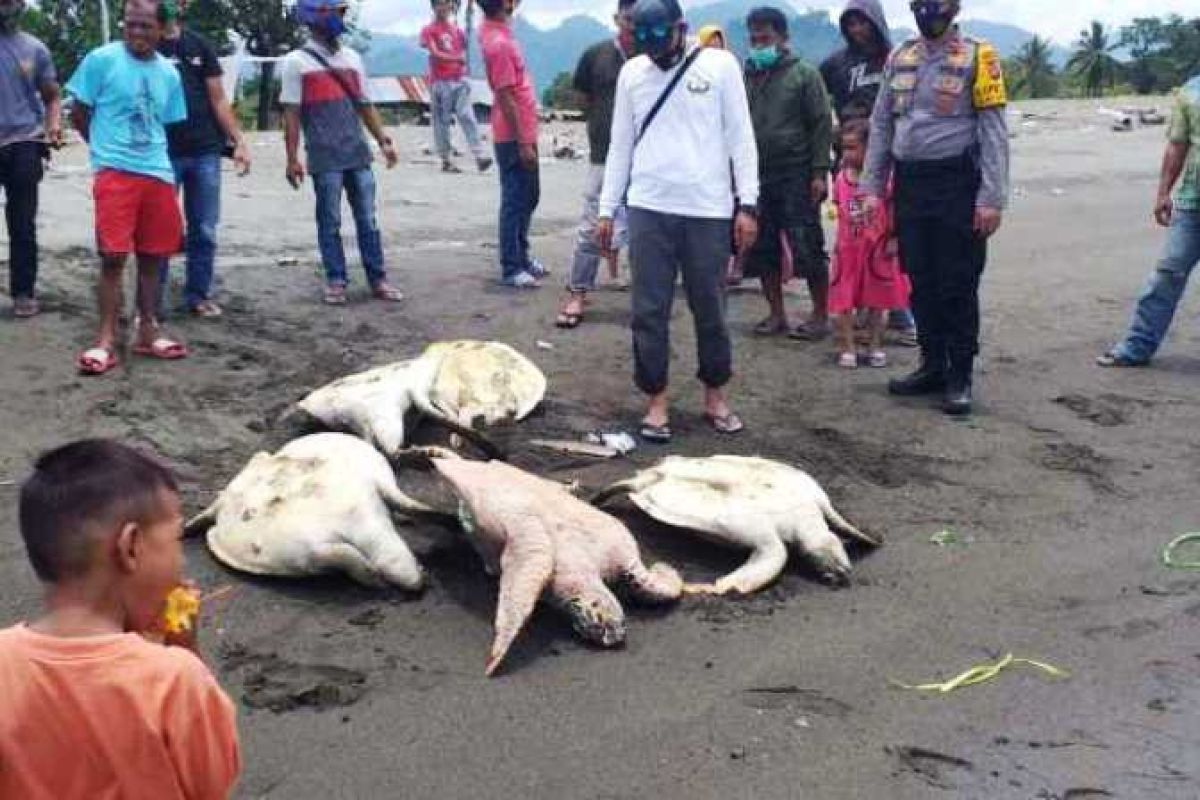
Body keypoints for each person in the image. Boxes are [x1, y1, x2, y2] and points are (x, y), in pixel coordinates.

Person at [0, 439, 241, 798]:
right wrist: (184, 647)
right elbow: (211, 784)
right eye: (176, 539)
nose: (181, 562)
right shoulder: (173, 679)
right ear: (130, 547)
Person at [599, 0, 759, 442]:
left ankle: (716, 396)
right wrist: (606, 209)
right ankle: (656, 401)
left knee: (711, 308)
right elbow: (620, 147)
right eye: (642, 41)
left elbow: (741, 136)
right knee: (648, 309)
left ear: (681, 29)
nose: (653, 51)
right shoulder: (633, 74)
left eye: (660, 39)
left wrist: (747, 203)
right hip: (648, 207)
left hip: (708, 210)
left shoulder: (721, 65)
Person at [863, 0, 1008, 416]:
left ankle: (959, 374)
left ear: (955, 6)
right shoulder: (900, 56)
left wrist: (991, 198)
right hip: (910, 184)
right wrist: (873, 187)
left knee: (957, 282)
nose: (930, 9)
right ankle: (932, 365)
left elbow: (994, 130)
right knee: (919, 278)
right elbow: (881, 124)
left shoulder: (980, 56)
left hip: (957, 184)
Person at [67, 0, 191, 376]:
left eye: (145, 26)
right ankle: (105, 338)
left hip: (157, 172)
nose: (136, 33)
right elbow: (80, 110)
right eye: (131, 25)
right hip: (115, 173)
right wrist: (102, 150)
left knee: (154, 256)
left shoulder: (169, 74)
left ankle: (147, 328)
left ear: (162, 29)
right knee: (113, 256)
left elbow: (166, 122)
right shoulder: (101, 60)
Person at [281, 0, 402, 306]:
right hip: (323, 157)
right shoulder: (296, 62)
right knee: (329, 221)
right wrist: (292, 158)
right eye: (336, 11)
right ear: (314, 17)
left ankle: (378, 279)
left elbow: (364, 105)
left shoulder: (353, 58)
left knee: (368, 220)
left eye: (342, 12)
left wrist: (383, 140)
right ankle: (337, 280)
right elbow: (291, 115)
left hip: (358, 152)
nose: (340, 18)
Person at [820, 0, 918, 346]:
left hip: (890, 152)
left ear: (877, 23)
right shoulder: (835, 63)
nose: (857, 30)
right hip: (850, 151)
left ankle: (901, 311)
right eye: (851, 24)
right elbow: (820, 102)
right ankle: (861, 307)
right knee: (856, 230)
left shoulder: (897, 59)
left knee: (890, 229)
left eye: (863, 23)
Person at [741, 6, 832, 339]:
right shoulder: (747, 74)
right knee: (762, 247)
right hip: (757, 175)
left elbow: (822, 124)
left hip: (797, 172)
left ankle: (820, 316)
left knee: (807, 243)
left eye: (765, 37)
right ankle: (776, 314)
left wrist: (820, 172)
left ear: (783, 37)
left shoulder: (804, 75)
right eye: (753, 38)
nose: (758, 43)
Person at [1097, 75, 1200, 368]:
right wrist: (1163, 192)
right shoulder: (1191, 91)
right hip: (1193, 204)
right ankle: (1137, 347)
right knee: (1166, 276)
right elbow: (1177, 145)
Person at [158, 0, 251, 319]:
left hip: (205, 150)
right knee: (159, 229)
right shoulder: (144, 45)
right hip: (159, 154)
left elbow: (218, 98)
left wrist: (239, 141)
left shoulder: (199, 45)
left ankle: (198, 295)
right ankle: (151, 302)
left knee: (205, 227)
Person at [555, 0, 635, 329]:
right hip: (603, 156)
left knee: (648, 233)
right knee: (591, 227)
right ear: (617, 19)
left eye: (639, 20)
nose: (632, 26)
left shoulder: (655, 56)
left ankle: (647, 303)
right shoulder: (596, 55)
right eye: (628, 19)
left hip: (649, 161)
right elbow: (584, 96)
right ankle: (578, 293)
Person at [829, 120, 909, 368]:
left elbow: (895, 208)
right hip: (848, 250)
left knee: (878, 299)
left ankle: (874, 346)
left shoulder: (885, 179)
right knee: (844, 299)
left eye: (853, 148)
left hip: (877, 249)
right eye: (844, 148)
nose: (847, 154)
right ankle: (849, 347)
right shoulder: (841, 178)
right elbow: (838, 209)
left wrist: (894, 238)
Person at [0, 0, 61, 320]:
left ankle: (23, 291)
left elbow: (52, 96)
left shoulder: (34, 49)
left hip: (24, 141)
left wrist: (53, 126)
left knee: (22, 223)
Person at [479, 0, 544, 288]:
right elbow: (505, 96)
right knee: (515, 199)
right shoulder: (499, 43)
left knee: (529, 196)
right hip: (513, 136)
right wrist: (523, 142)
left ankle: (522, 256)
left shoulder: (499, 32)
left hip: (522, 132)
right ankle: (511, 266)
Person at [420, 0, 492, 174]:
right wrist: (454, 59)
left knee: (467, 115)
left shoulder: (457, 31)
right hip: (440, 81)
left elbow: (464, 48)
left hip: (460, 79)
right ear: (434, 7)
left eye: (447, 4)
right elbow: (434, 53)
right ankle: (445, 158)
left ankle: (479, 155)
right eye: (440, 4)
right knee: (441, 121)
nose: (444, 8)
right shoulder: (429, 31)